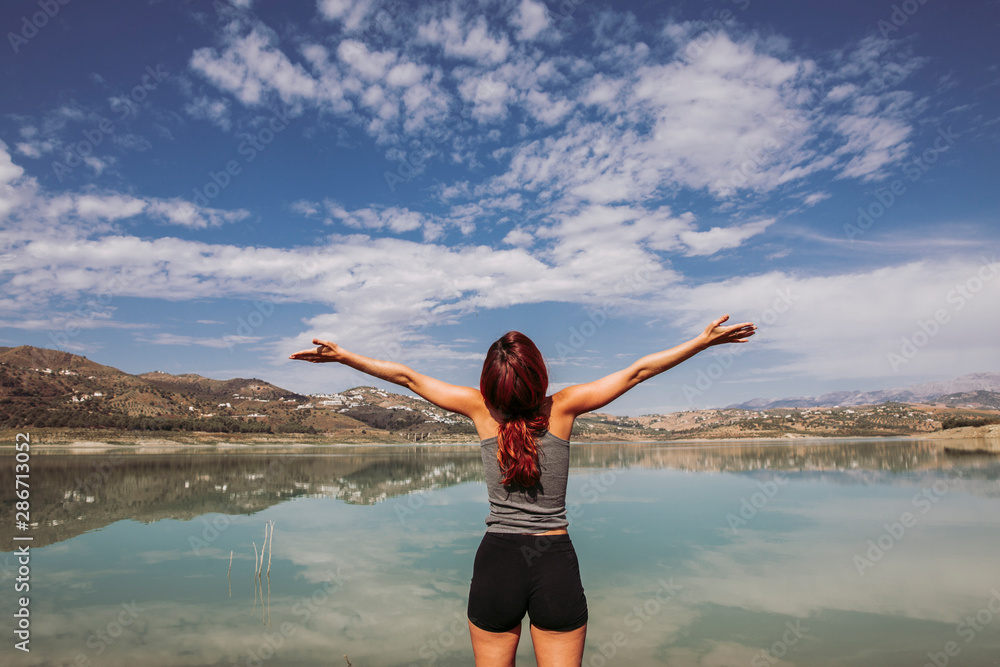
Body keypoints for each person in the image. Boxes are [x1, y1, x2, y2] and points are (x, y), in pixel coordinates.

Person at [289, 314, 756, 666]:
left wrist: (344, 356)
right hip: (554, 563)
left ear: (490, 382)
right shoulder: (566, 407)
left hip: (497, 563)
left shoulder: (478, 409)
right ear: (539, 374)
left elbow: (407, 377)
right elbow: (637, 372)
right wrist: (702, 342)